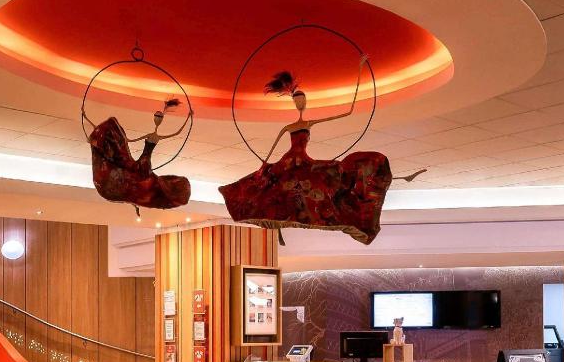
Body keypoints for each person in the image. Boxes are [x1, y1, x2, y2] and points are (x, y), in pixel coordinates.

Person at [220, 57, 397, 245]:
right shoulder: (290, 126)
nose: (300, 104)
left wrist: (360, 70)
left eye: (302, 100)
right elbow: (273, 147)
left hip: (301, 161)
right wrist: (264, 168)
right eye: (298, 101)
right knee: (282, 191)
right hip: (291, 161)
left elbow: (348, 111)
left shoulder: (307, 123)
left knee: (327, 181)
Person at [84, 98, 191, 214]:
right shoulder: (159, 200)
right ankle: (99, 139)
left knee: (113, 132)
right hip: (108, 187)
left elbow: (142, 170)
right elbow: (138, 182)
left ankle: (99, 138)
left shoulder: (152, 188)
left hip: (110, 180)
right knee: (120, 153)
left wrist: (149, 146)